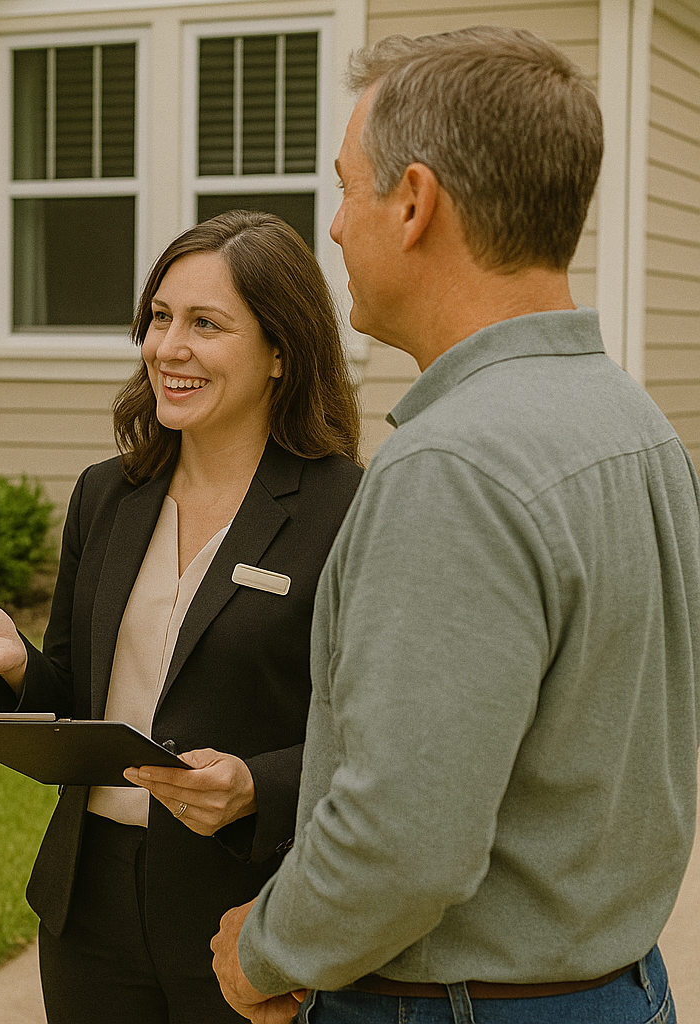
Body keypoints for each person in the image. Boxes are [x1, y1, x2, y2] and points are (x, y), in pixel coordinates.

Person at [210, 27, 700, 1024]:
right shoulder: (634, 422)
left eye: (347, 188)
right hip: (616, 985)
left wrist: (265, 949)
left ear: (416, 202)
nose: (336, 229)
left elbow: (404, 840)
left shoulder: (455, 466)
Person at [0, 210, 363, 1022]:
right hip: (90, 903)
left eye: (206, 325)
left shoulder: (345, 508)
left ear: (280, 351)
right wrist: (14, 664)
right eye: (161, 317)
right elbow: (78, 704)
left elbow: (373, 736)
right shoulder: (107, 494)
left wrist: (257, 785)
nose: (167, 348)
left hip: (246, 904)